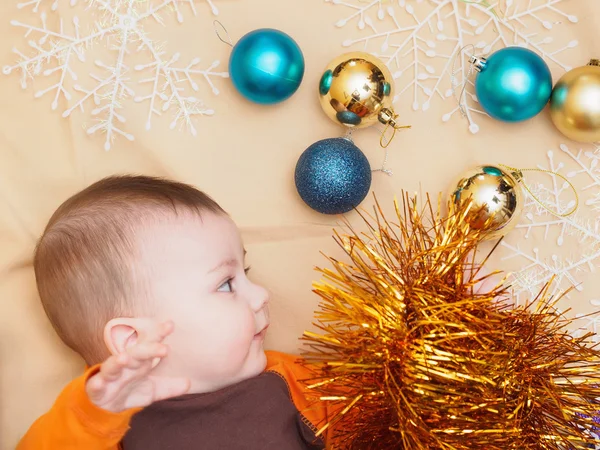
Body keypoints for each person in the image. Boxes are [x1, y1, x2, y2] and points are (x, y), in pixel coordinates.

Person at [17, 175, 336, 450]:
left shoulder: (292, 381)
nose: (261, 294)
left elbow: (372, 413)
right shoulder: (108, 433)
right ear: (132, 340)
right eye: (226, 284)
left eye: (246, 272)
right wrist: (90, 417)